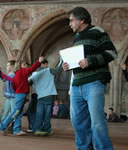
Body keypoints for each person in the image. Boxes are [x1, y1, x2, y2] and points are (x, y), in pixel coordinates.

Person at [62, 7, 117, 150]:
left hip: (94, 83)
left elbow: (112, 53)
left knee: (97, 121)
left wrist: (90, 61)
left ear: (81, 20)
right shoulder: (77, 38)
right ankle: (84, 148)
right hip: (77, 84)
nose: (70, 24)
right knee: (77, 121)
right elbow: (78, 61)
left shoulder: (97, 32)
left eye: (72, 20)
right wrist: (69, 65)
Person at [0, 56, 44, 136]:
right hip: (21, 94)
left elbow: (14, 86)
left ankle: (17, 130)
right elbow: (31, 69)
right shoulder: (22, 71)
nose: (26, 66)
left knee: (18, 113)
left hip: (19, 94)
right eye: (24, 64)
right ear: (19, 65)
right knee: (15, 111)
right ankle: (2, 126)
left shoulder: (17, 73)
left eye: (26, 64)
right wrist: (39, 62)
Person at [29, 58, 62, 136]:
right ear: (43, 64)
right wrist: (61, 59)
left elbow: (27, 82)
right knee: (47, 114)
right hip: (48, 95)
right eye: (46, 64)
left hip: (39, 96)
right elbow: (58, 69)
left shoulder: (34, 74)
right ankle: (47, 130)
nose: (47, 66)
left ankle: (37, 129)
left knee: (39, 113)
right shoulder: (48, 70)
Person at [0, 60, 16, 130]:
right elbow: (3, 78)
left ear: (12, 66)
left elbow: (4, 78)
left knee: (13, 112)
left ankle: (13, 124)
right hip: (8, 96)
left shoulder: (13, 75)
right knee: (5, 111)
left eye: (8, 65)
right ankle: (1, 124)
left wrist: (0, 72)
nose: (7, 67)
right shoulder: (9, 75)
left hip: (13, 97)